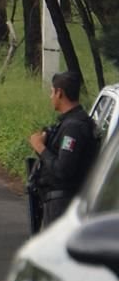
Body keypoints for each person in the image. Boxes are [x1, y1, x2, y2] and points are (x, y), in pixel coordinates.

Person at [28, 71, 99, 229]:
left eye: (52, 92)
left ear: (59, 93)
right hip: (59, 203)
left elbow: (63, 169)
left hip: (63, 205)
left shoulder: (73, 127)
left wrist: (40, 147)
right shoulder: (69, 123)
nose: (50, 97)